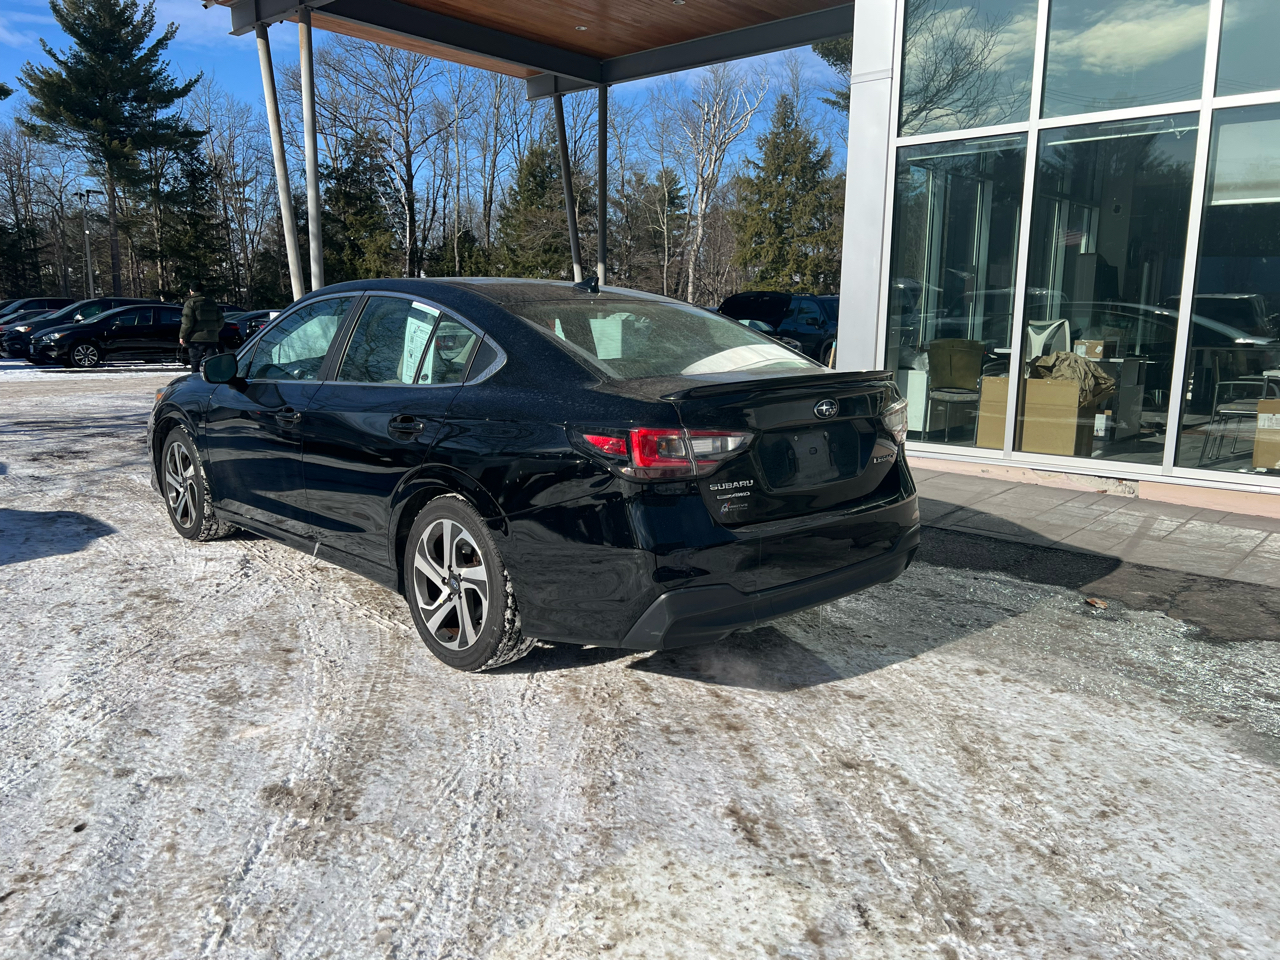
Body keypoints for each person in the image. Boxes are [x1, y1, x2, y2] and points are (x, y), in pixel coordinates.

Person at [179, 281, 224, 371]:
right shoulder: (211, 302)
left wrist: (182, 336)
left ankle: (196, 381)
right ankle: (212, 380)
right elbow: (221, 320)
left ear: (191, 291)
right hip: (211, 338)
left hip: (195, 338)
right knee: (211, 361)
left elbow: (187, 322)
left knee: (195, 361)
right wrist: (214, 331)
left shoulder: (190, 303)